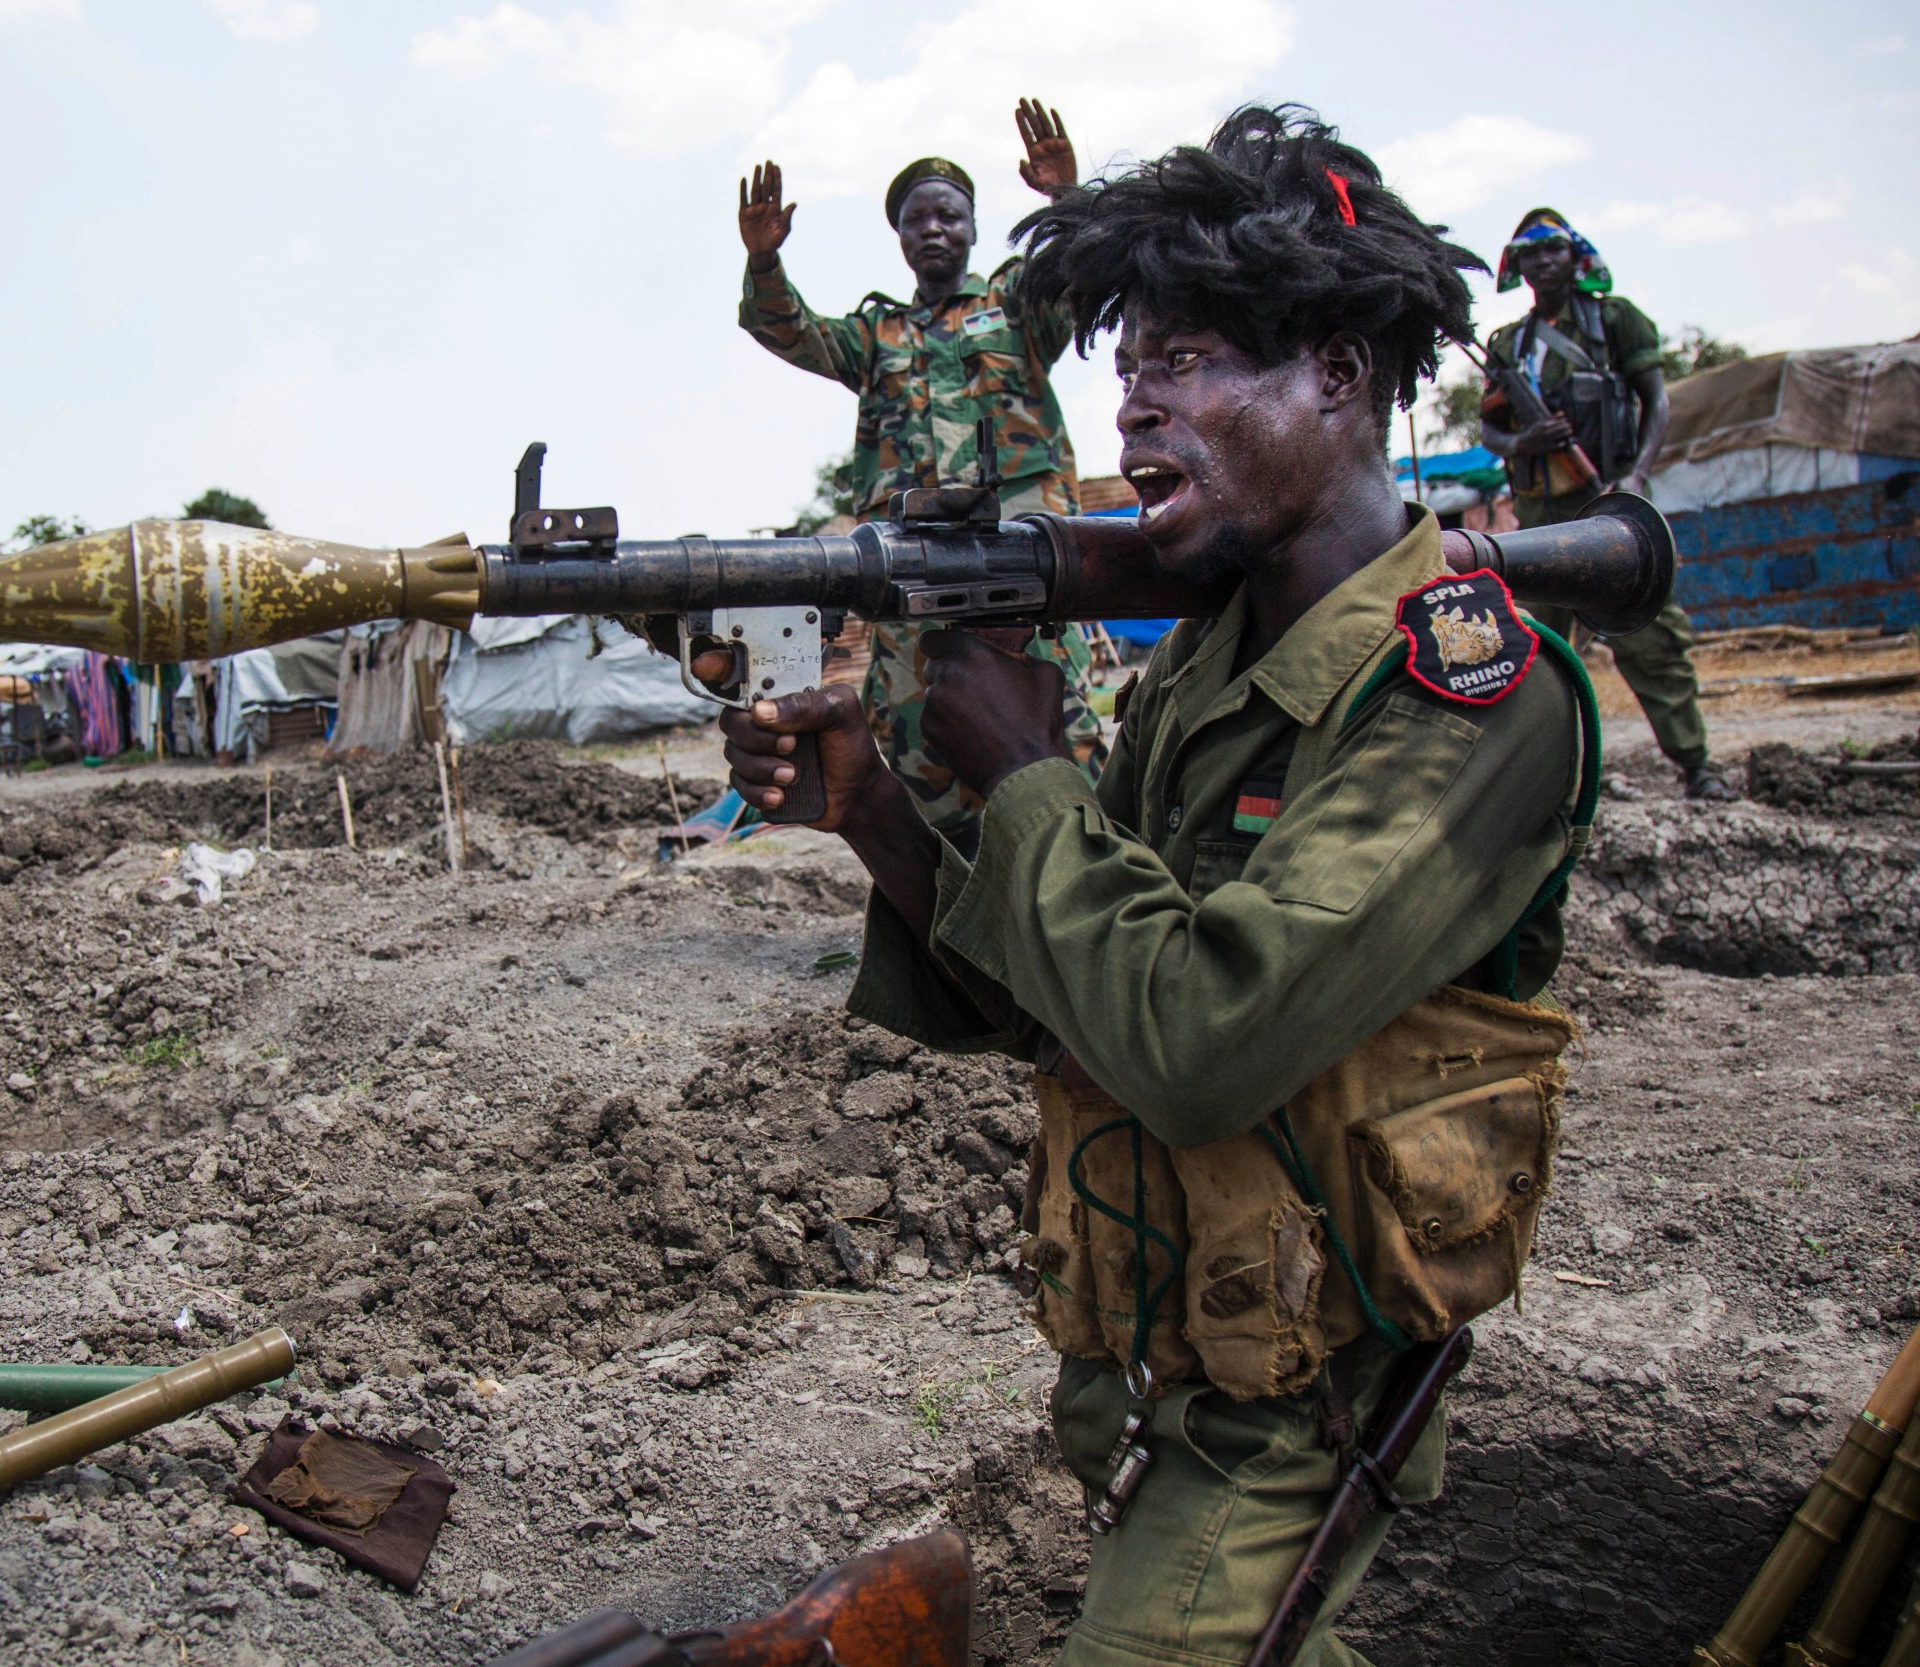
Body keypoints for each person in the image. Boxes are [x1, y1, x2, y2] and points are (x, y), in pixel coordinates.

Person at [706, 107, 1593, 1665]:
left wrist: (1030, 768)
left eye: (1185, 366)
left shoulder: (1468, 689)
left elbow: (1197, 1039)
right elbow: (1057, 998)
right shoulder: (1203, 664)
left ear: (1334, 372)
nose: (1133, 417)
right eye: (1125, 376)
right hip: (1156, 1336)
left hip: (1297, 1390)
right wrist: (880, 816)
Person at [736, 98, 1102, 844]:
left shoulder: (1018, 306)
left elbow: (1085, 275)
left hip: (1022, 559)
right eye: (917, 218)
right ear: (900, 237)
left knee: (1051, 707)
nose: (934, 229)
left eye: (950, 216)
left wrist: (1070, 201)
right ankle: (946, 885)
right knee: (910, 723)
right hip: (912, 569)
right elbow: (794, 332)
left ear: (971, 228)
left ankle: (1080, 865)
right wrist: (765, 260)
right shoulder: (877, 335)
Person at [1479, 207, 1730, 801]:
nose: (1542, 261)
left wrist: (1637, 476)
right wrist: (1523, 442)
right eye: (1529, 253)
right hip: (1540, 515)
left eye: (1553, 249)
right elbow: (1490, 430)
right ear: (1518, 268)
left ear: (1576, 257)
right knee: (1538, 649)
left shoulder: (1615, 322)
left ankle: (1696, 765)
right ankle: (1559, 780)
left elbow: (1656, 403)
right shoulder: (1508, 344)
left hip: (1607, 502)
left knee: (1651, 635)